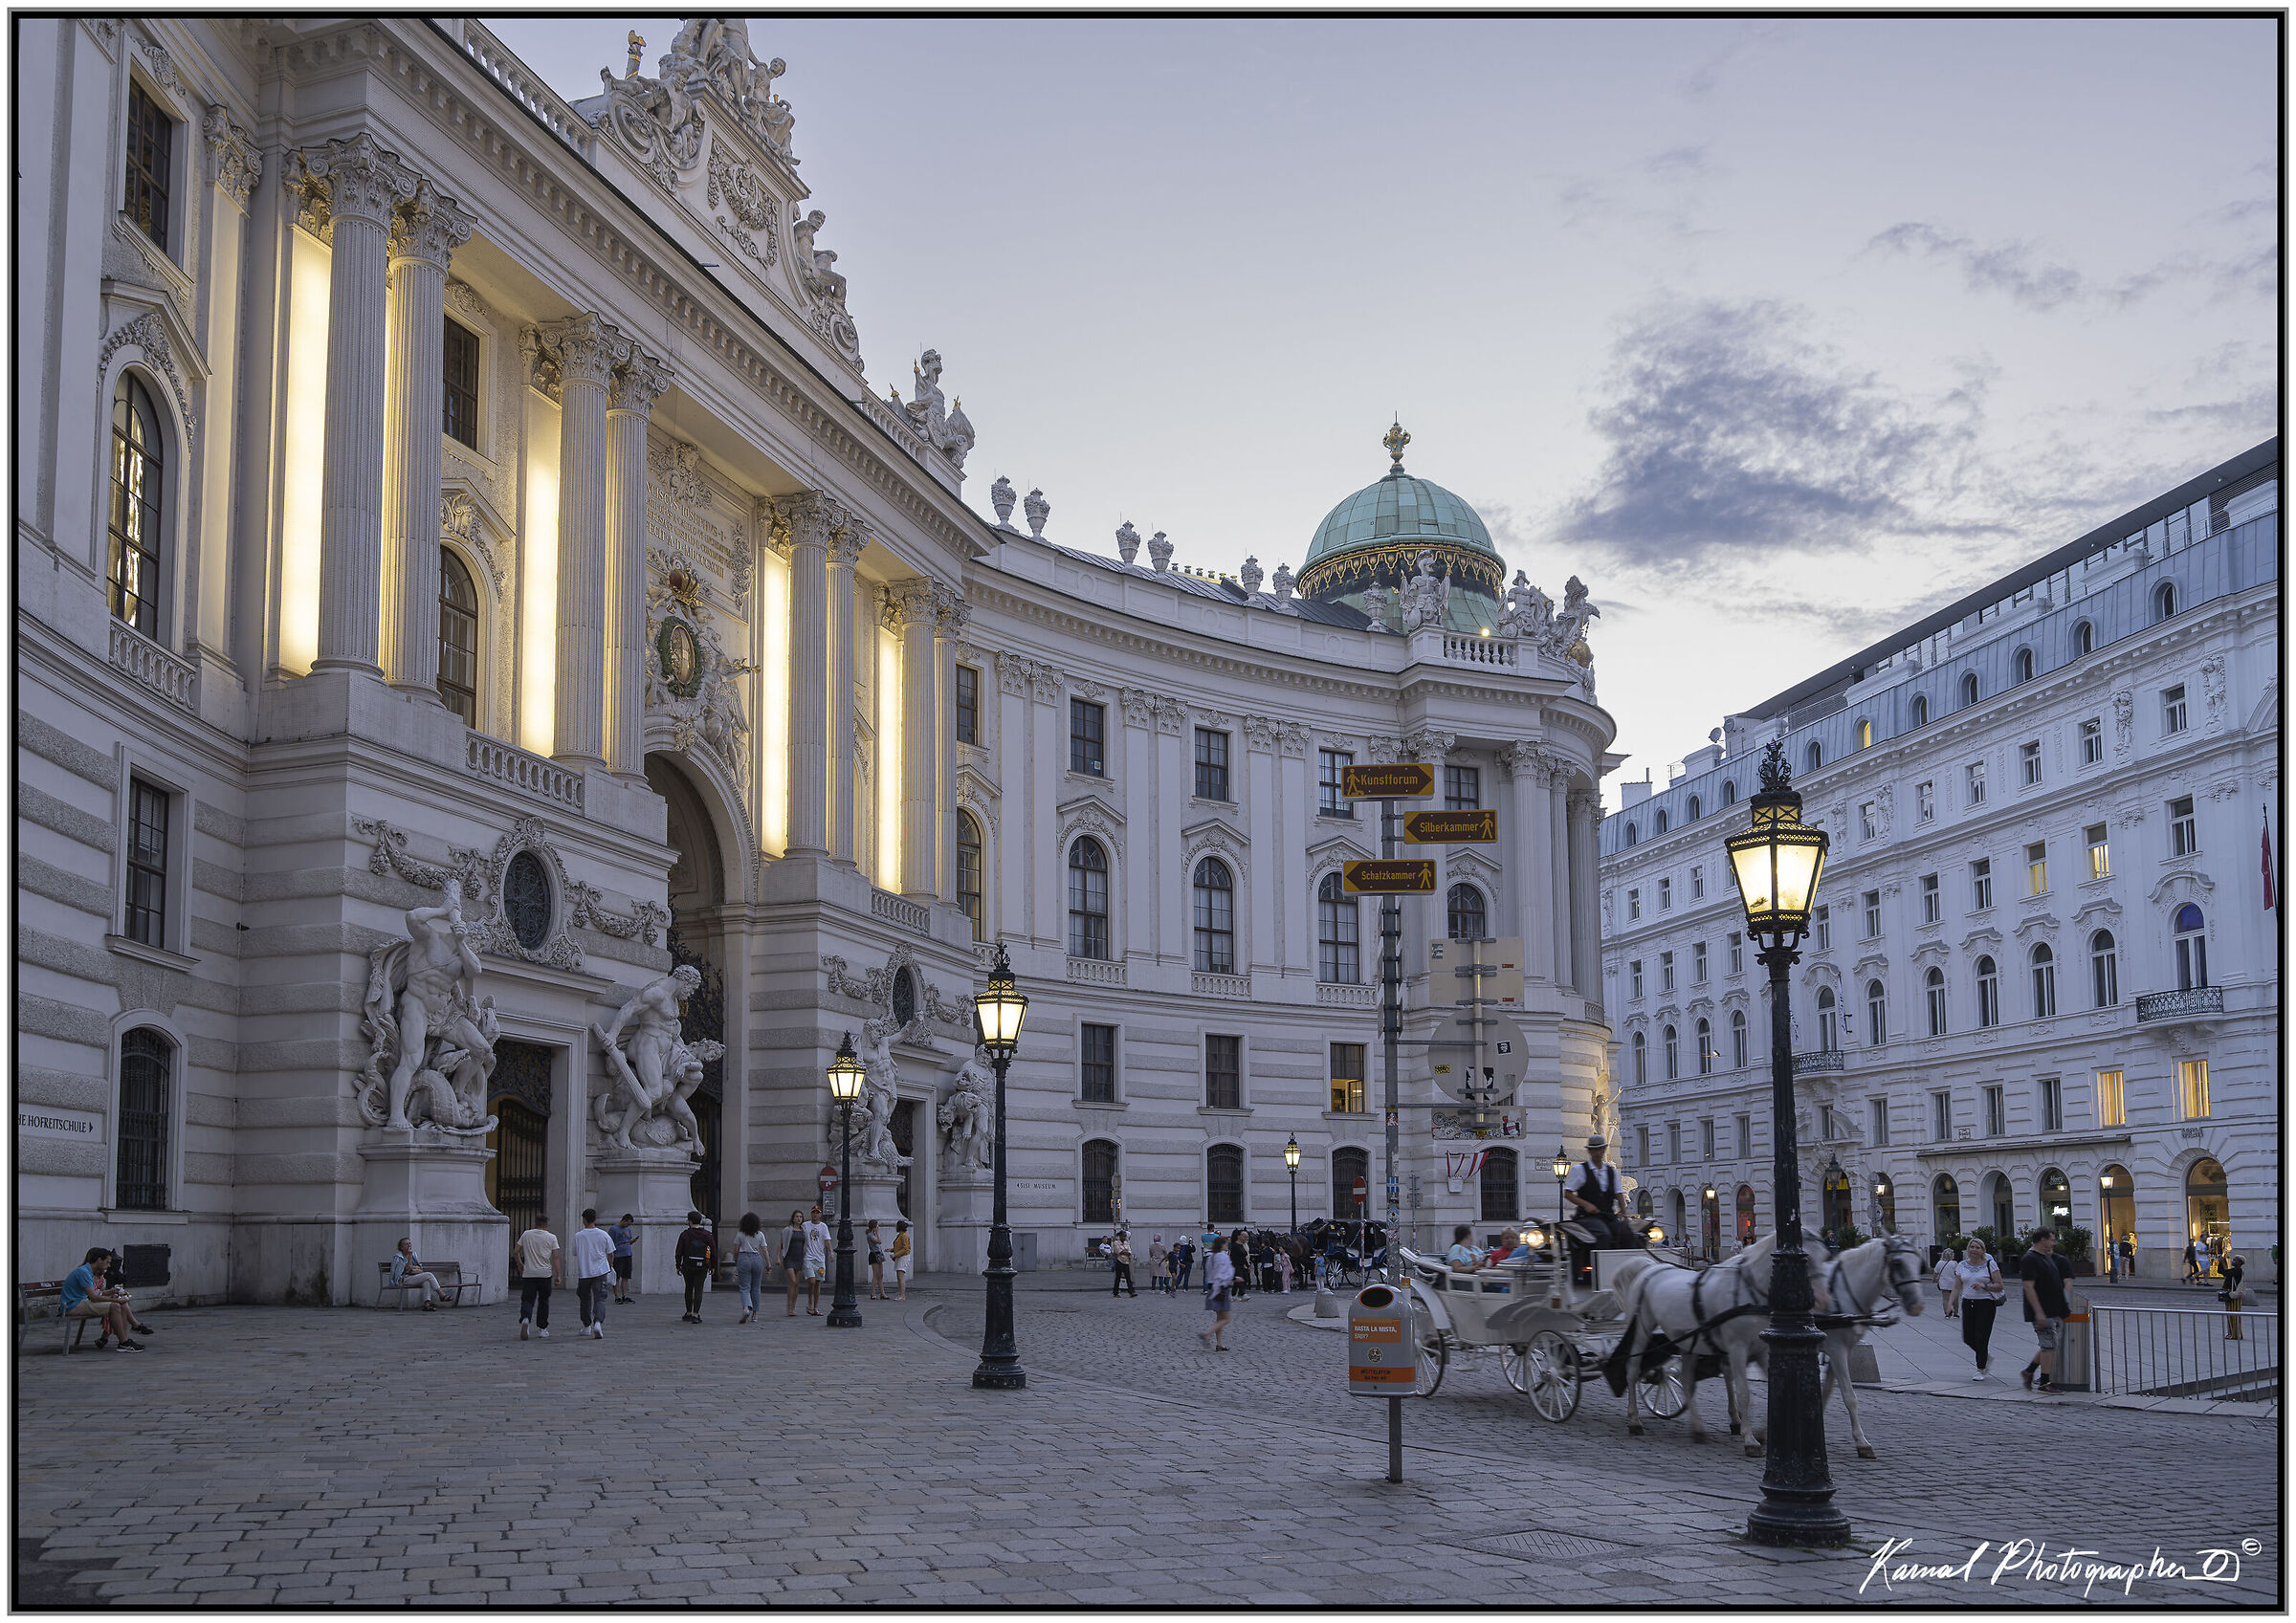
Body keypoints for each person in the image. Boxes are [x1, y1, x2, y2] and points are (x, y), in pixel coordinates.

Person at [1939, 1238, 2006, 1380]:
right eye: (1972, 1247)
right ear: (1968, 1249)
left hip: (1986, 1304)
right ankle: (1985, 1356)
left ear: (1982, 1250)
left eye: (1977, 1247)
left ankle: (1980, 1369)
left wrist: (1984, 1286)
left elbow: (2000, 1285)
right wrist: (1950, 1304)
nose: (1974, 1250)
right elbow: (1957, 1286)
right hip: (1968, 1303)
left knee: (1981, 1336)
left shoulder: (1990, 1264)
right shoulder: (1962, 1265)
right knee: (1968, 1337)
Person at [60, 1248, 143, 1351]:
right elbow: (94, 1297)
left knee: (120, 1305)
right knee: (115, 1306)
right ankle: (124, 1342)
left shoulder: (87, 1271)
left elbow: (95, 1294)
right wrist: (116, 1300)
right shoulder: (84, 1272)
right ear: (99, 1260)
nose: (109, 1265)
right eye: (107, 1262)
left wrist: (112, 1293)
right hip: (72, 1306)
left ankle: (124, 1341)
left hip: (80, 1302)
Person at [2018, 1227, 2068, 1393]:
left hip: (2053, 1309)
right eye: (2052, 1239)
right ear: (2042, 1240)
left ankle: (2029, 1371)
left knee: (2049, 1344)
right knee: (2049, 1346)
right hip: (2042, 1311)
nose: (2053, 1243)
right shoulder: (2030, 1259)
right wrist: (2039, 1312)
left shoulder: (2046, 1257)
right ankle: (2045, 1382)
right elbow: (2028, 1286)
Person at [570, 1209, 616, 1339]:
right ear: (595, 1219)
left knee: (584, 1299)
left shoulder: (578, 1236)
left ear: (584, 1219)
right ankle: (598, 1322)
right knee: (600, 1298)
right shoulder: (603, 1235)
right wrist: (610, 1265)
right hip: (600, 1271)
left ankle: (586, 1325)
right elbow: (611, 1253)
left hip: (584, 1272)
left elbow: (575, 1252)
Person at [515, 1220, 561, 1340]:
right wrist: (558, 1275)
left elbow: (515, 1252)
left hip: (529, 1273)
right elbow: (555, 1257)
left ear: (535, 1224)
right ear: (546, 1225)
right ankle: (542, 1329)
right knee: (543, 1301)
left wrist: (520, 1264)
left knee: (527, 1299)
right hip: (545, 1274)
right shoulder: (551, 1237)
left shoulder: (526, 1234)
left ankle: (525, 1318)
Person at [729, 1213, 770, 1323]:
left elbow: (736, 1250)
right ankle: (755, 1314)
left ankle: (746, 1308)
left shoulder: (740, 1234)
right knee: (756, 1288)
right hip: (757, 1258)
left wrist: (736, 1262)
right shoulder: (760, 1234)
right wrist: (768, 1264)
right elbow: (764, 1250)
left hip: (744, 1258)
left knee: (744, 1287)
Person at [674, 1210, 713, 1324]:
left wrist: (678, 1265)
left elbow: (679, 1251)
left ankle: (688, 1312)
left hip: (688, 1266)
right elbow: (713, 1251)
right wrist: (712, 1265)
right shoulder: (707, 1235)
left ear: (690, 1221)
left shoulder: (685, 1235)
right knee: (699, 1289)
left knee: (689, 1288)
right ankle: (696, 1314)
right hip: (702, 1266)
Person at [1199, 1239, 1236, 1351]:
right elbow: (1225, 1273)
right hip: (1221, 1289)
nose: (1227, 1245)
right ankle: (1207, 1334)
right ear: (1222, 1245)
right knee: (1226, 1319)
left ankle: (1219, 1344)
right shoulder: (1223, 1257)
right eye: (1226, 1244)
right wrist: (1234, 1279)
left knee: (1219, 1318)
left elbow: (1210, 1272)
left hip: (1213, 1288)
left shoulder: (1211, 1257)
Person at [389, 1237, 446, 1310]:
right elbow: (406, 1270)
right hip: (403, 1279)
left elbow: (418, 1267)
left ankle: (426, 1304)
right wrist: (410, 1260)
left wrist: (413, 1266)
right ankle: (441, 1294)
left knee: (427, 1281)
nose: (409, 1245)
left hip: (413, 1277)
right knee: (429, 1274)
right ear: (401, 1247)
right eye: (406, 1244)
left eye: (410, 1243)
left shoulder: (413, 1255)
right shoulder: (398, 1257)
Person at [802, 1205, 833, 1315]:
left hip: (820, 1258)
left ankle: (815, 1307)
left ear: (820, 1214)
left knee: (818, 1282)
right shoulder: (805, 1225)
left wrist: (831, 1252)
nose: (815, 1214)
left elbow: (827, 1240)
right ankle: (809, 1302)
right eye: (813, 1212)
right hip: (809, 1258)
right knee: (811, 1280)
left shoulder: (823, 1226)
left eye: (817, 1212)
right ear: (811, 1214)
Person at [780, 1210, 807, 1317]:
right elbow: (780, 1244)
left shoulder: (803, 1231)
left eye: (800, 1216)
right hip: (789, 1257)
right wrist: (778, 1257)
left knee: (796, 1284)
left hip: (799, 1258)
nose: (799, 1218)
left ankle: (793, 1307)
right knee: (792, 1280)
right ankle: (789, 1307)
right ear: (793, 1218)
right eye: (797, 1216)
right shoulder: (787, 1230)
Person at [607, 1214, 637, 1304]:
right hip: (618, 1255)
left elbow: (628, 1240)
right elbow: (610, 1243)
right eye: (627, 1223)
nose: (628, 1226)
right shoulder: (614, 1229)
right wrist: (611, 1257)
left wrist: (632, 1241)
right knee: (617, 1277)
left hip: (627, 1254)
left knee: (626, 1276)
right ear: (624, 1220)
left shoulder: (627, 1229)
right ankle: (617, 1296)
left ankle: (625, 1295)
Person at [2220, 1253, 2247, 1341]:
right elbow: (2221, 1272)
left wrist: (2223, 1262)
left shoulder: (2238, 1270)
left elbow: (2226, 1273)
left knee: (2234, 1315)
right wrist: (2221, 1262)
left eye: (2235, 1260)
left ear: (2239, 1262)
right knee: (2230, 1315)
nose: (2233, 1261)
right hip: (2229, 1294)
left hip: (2234, 1294)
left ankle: (2236, 1334)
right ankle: (2231, 1333)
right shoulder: (2234, 1270)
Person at [1110, 1229, 1137, 1298]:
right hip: (1119, 1261)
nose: (1125, 1238)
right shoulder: (1116, 1242)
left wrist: (1125, 1252)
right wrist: (1125, 1251)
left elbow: (1129, 1251)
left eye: (1125, 1236)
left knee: (1128, 1277)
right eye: (1124, 1236)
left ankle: (1131, 1292)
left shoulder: (1126, 1243)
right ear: (1120, 1236)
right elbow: (1118, 1251)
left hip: (1126, 1262)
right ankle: (1115, 1292)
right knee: (1118, 1278)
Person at [891, 1219, 913, 1300]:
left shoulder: (904, 1236)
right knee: (899, 1276)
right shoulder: (900, 1235)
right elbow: (899, 1247)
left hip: (903, 1257)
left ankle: (902, 1295)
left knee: (901, 1276)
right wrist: (891, 1250)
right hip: (900, 1257)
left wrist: (894, 1255)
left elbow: (905, 1249)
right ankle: (901, 1294)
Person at [865, 1220, 886, 1301]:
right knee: (875, 1275)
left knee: (880, 1275)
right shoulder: (870, 1235)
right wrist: (877, 1233)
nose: (878, 1227)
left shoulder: (873, 1234)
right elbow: (879, 1241)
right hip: (874, 1254)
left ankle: (882, 1293)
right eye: (877, 1226)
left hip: (879, 1253)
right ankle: (873, 1293)